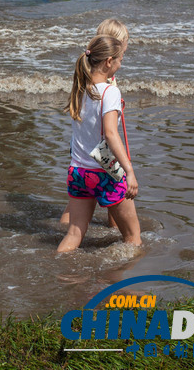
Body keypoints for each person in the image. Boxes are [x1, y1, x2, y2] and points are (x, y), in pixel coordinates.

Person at [57, 35, 141, 253]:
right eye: (121, 59)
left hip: (77, 171)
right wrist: (129, 171)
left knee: (74, 234)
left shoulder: (80, 88)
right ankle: (119, 283)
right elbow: (111, 135)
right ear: (109, 61)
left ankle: (57, 272)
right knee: (133, 238)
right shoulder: (110, 91)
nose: (121, 64)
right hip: (105, 171)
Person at [61, 19, 130, 228]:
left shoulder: (87, 76)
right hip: (101, 151)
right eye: (125, 46)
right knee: (115, 193)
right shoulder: (108, 84)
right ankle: (113, 229)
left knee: (80, 202)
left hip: (81, 151)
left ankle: (64, 230)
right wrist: (129, 167)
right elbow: (110, 130)